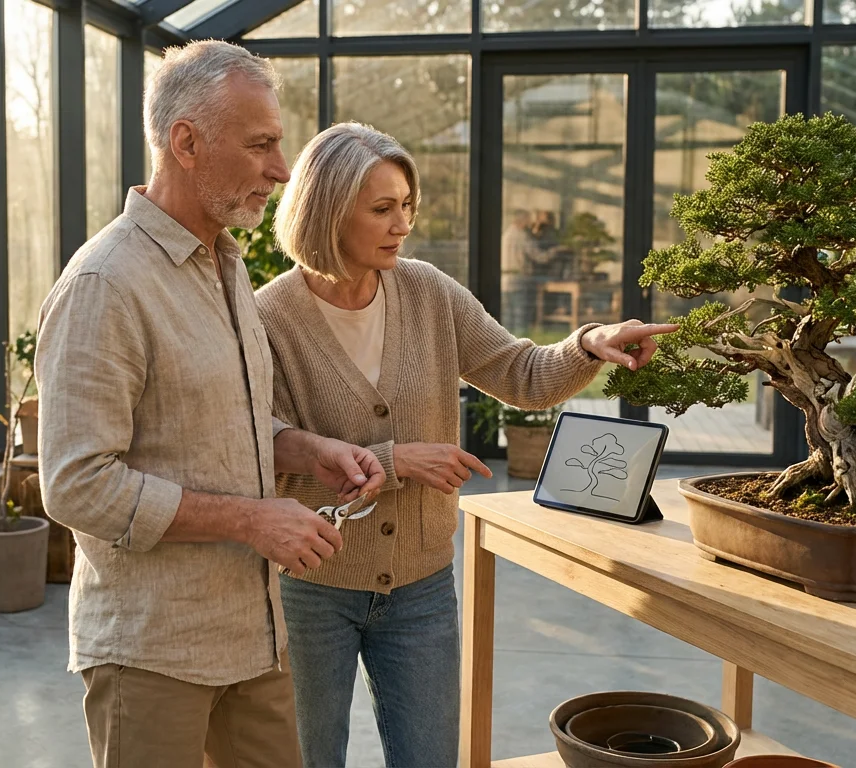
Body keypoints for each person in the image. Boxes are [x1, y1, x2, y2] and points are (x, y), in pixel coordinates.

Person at [255, 122, 676, 768]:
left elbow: (521, 372)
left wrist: (588, 344)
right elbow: (267, 445)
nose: (402, 225)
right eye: (382, 209)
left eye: (407, 208)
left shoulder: (427, 292)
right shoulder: (269, 318)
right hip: (312, 585)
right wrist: (396, 461)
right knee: (306, 759)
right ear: (329, 211)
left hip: (421, 586)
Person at [35, 43, 385, 768]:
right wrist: (252, 519)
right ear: (186, 142)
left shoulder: (224, 265)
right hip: (153, 655)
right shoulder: (105, 283)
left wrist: (304, 449)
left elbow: (221, 421)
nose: (283, 168)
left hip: (253, 640)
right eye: (261, 145)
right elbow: (74, 483)